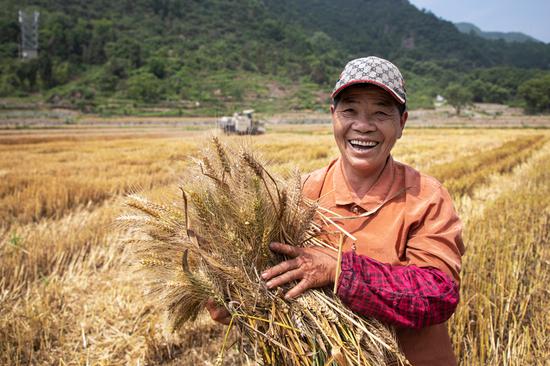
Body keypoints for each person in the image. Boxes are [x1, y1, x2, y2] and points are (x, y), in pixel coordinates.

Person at [208, 56, 465, 366]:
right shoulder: (297, 195)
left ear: (402, 123)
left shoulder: (426, 198)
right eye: (350, 110)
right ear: (333, 116)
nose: (363, 125)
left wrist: (340, 271)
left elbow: (437, 295)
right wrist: (238, 297)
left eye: (381, 113)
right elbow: (275, 287)